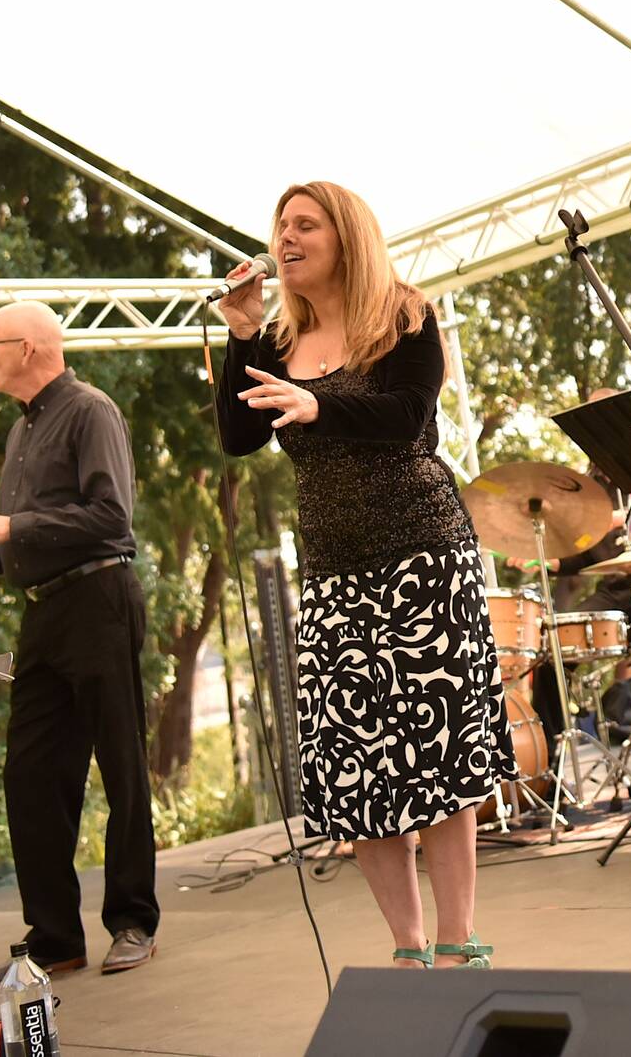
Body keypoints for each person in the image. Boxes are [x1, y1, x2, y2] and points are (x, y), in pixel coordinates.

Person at [215, 180, 515, 969]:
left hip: (424, 558)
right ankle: (408, 950)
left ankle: (458, 940)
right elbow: (239, 438)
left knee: (438, 752)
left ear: (346, 237)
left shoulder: (404, 316)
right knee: (358, 764)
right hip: (334, 573)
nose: (286, 238)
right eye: (281, 226)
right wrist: (242, 336)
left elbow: (408, 417)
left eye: (305, 224)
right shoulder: (277, 341)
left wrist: (321, 407)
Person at [0, 301, 159, 988]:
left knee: (121, 764)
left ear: (25, 348)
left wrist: (12, 526)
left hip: (99, 600)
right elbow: (29, 538)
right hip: (44, 612)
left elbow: (110, 516)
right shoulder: (21, 430)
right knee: (29, 775)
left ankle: (133, 922)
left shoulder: (90, 410)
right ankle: (54, 940)